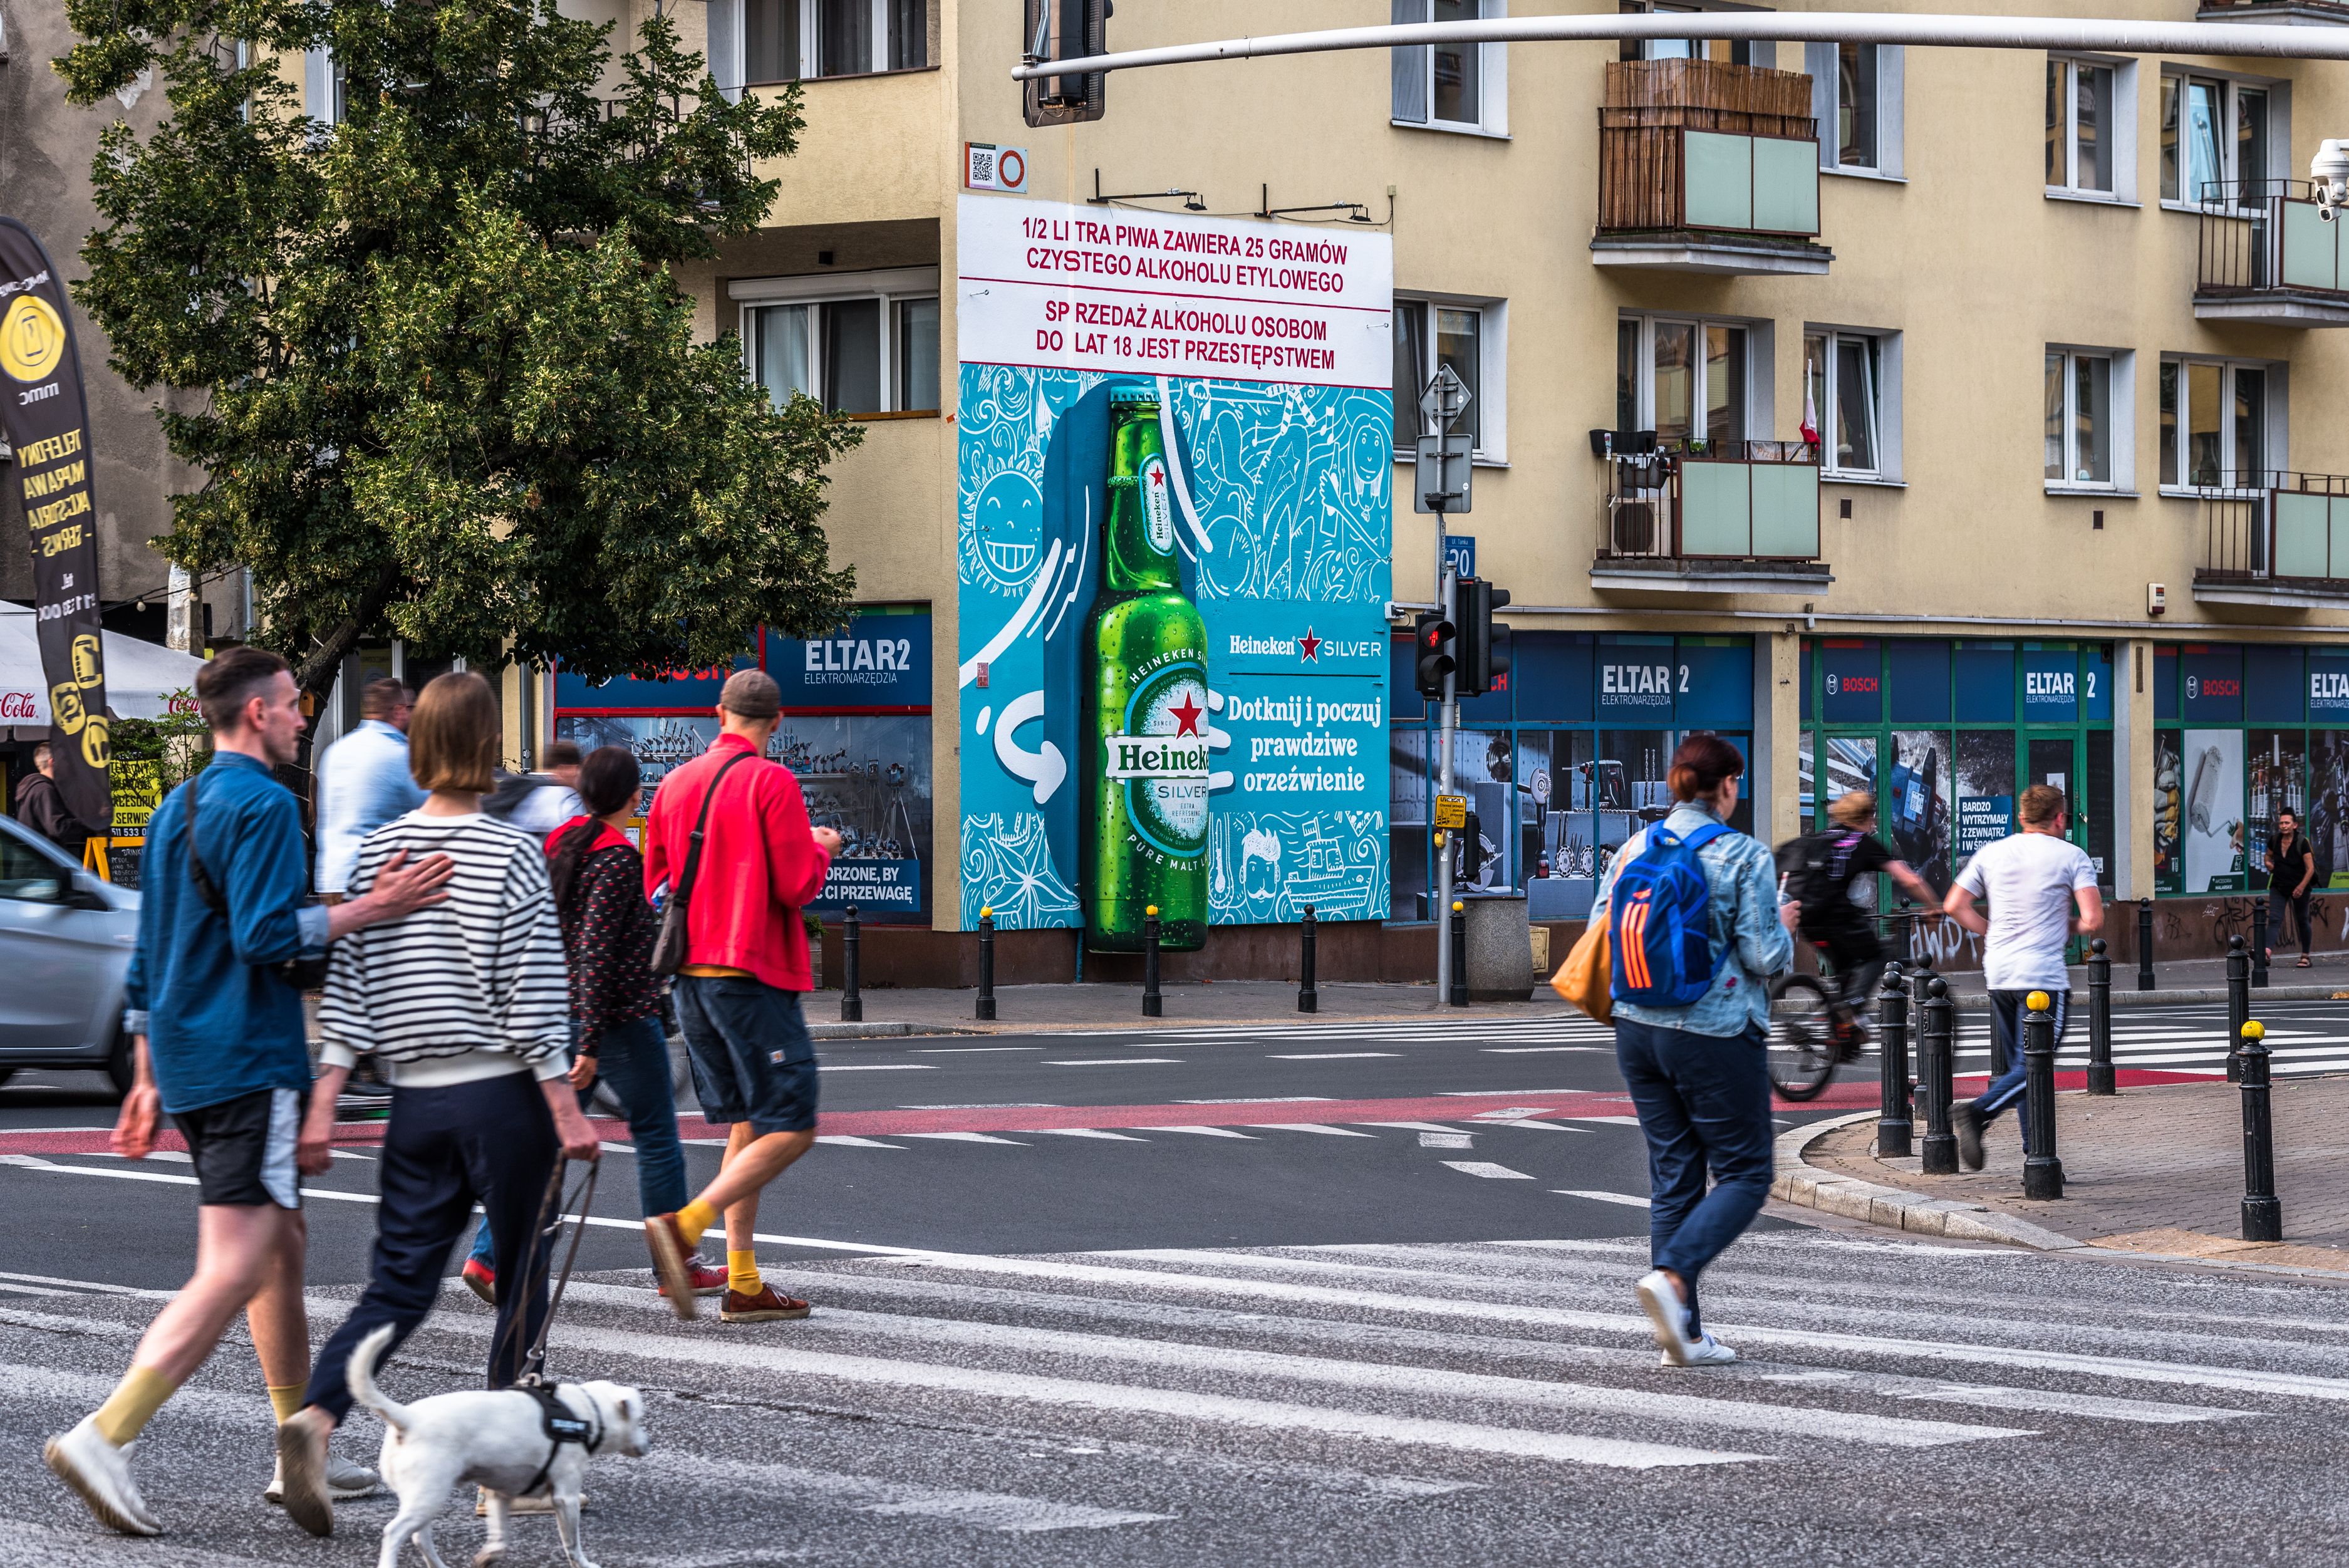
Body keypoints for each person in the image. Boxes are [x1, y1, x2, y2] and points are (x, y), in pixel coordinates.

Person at [42, 646, 453, 1538]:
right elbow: (274, 937)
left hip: (189, 1058)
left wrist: (146, 1075)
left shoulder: (178, 805)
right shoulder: (267, 803)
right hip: (248, 1059)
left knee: (282, 1244)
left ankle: (292, 1446)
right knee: (235, 1260)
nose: (304, 716)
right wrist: (375, 906)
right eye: (294, 705)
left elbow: (150, 948)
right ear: (258, 712)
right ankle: (105, 1434)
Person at [272, 672, 598, 1538]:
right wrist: (565, 1105)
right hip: (500, 1094)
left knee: (399, 1281)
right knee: (522, 1271)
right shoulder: (512, 852)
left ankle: (315, 1415)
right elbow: (533, 990)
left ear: (417, 746)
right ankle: (511, 1466)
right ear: (490, 747)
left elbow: (350, 989)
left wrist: (324, 1100)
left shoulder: (379, 855)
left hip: (410, 1103)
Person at [461, 744, 724, 1304]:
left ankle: (489, 1258)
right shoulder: (614, 857)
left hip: (556, 1010)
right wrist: (591, 1041)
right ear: (633, 798)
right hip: (616, 1020)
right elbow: (596, 951)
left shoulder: (559, 844)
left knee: (550, 1141)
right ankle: (675, 1263)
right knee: (656, 1134)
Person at [640, 669, 841, 1324]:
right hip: (750, 973)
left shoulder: (673, 784)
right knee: (794, 1123)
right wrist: (823, 849)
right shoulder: (772, 781)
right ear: (777, 723)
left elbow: (659, 880)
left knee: (748, 1123)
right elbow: (793, 886)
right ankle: (686, 1226)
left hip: (690, 978)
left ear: (717, 713)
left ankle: (746, 1281)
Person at [1590, 734, 1796, 1370]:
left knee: (1674, 1177)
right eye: (1739, 781)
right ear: (1728, 784)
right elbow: (1765, 958)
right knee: (1746, 1173)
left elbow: (1601, 923)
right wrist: (1785, 925)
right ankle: (1675, 1276)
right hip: (1714, 1031)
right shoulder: (1742, 855)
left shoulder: (1634, 847)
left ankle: (1684, 1337)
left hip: (1635, 1028)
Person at [1945, 784, 2104, 1172]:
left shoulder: (1993, 853)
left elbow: (1954, 905)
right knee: (2037, 1063)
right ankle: (1978, 1113)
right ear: (2061, 818)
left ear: (2021, 817)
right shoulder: (2072, 856)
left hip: (1999, 971)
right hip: (2042, 977)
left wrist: (1991, 930)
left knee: (2023, 1066)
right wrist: (2065, 924)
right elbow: (2093, 919)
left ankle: (2038, 1159)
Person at [1775, 791, 1940, 1028]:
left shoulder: (1820, 838)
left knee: (1848, 967)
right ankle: (1849, 1007)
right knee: (1876, 955)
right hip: (1836, 917)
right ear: (1866, 817)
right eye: (1872, 818)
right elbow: (1911, 880)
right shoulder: (1861, 842)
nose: (1873, 823)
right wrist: (1933, 907)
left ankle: (1842, 1032)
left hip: (1808, 920)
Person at [314, 678, 423, 902]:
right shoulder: (402, 755)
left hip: (331, 880)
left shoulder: (336, 751)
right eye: (411, 708)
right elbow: (433, 811)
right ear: (399, 710)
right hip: (377, 884)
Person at [487, 738, 587, 835]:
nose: (580, 776)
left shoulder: (530, 784)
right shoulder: (556, 794)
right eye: (578, 769)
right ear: (567, 770)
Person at [13, 739, 91, 861]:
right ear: (52, 762)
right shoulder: (45, 790)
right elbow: (58, 827)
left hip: (32, 864)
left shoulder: (33, 788)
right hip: (41, 866)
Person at [2266, 808, 2317, 969]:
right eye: (2281, 823)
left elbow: (2310, 869)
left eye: (2287, 823)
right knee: (2274, 919)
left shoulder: (2302, 842)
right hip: (2279, 886)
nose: (2283, 826)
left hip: (2299, 887)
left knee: (2302, 919)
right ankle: (2266, 953)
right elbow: (2267, 856)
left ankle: (2305, 956)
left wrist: (2301, 887)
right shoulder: (2274, 840)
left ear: (2295, 825)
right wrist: (2268, 864)